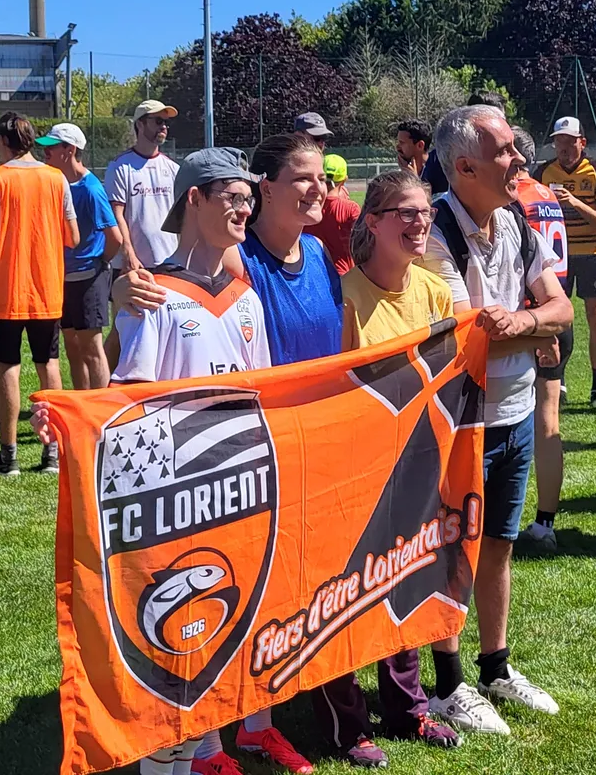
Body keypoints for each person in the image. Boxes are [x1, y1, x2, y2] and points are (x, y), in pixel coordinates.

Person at [112, 133, 455, 767]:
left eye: (321, 178)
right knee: (236, 588)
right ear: (264, 188)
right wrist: (119, 287)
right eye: (301, 177)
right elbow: (161, 316)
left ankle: (254, 723)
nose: (317, 189)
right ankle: (194, 741)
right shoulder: (237, 268)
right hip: (241, 460)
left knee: (328, 583)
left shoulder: (322, 262)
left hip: (322, 449)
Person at [34, 147, 304, 775]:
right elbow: (129, 404)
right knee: (171, 655)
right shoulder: (153, 294)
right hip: (175, 500)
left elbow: (259, 390)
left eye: (247, 197)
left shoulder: (244, 296)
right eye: (231, 197)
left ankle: (205, 749)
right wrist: (78, 426)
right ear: (194, 200)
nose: (245, 207)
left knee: (217, 634)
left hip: (236, 489)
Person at [418, 105, 573, 733]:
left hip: (512, 411)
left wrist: (526, 323)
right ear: (464, 166)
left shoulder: (513, 220)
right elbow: (465, 337)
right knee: (453, 549)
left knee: (500, 546)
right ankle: (449, 684)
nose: (519, 160)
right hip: (459, 420)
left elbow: (559, 309)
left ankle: (496, 668)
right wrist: (527, 327)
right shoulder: (433, 233)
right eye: (506, 150)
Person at [332, 168, 464, 757]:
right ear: (374, 223)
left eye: (424, 212)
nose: (419, 222)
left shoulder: (434, 289)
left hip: (415, 464)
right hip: (353, 468)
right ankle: (349, 722)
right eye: (405, 213)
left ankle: (408, 709)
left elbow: (449, 373)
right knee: (345, 595)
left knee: (403, 585)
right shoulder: (346, 294)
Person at [0, 112, 79, 477]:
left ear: (3, 142)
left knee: (9, 368)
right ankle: (52, 452)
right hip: (47, 290)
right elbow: (73, 237)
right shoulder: (56, 179)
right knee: (48, 365)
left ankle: (9, 455)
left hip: (7, 291)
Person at [509, 127, 572, 553]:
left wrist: (534, 324)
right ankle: (545, 521)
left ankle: (506, 517)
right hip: (558, 310)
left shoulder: (515, 201)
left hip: (535, 319)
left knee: (532, 421)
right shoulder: (548, 195)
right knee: (547, 419)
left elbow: (524, 262)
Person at [532, 116, 596, 410]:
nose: (563, 147)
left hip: (592, 252)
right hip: (557, 255)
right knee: (557, 315)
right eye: (558, 141)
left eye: (569, 141)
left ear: (583, 142)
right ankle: (558, 378)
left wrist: (575, 202)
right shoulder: (542, 172)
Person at [36, 122, 122, 390]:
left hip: (88, 278)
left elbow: (115, 238)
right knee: (72, 347)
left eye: (52, 147)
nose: (44, 152)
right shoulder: (56, 183)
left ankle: (103, 412)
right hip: (61, 278)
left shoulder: (91, 189)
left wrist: (99, 263)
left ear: (70, 150)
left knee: (91, 349)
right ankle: (81, 407)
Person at [105, 100, 181, 275]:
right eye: (158, 121)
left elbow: (181, 217)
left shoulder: (173, 168)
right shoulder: (120, 167)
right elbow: (117, 215)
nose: (164, 127)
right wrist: (128, 252)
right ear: (140, 123)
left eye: (166, 123)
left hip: (169, 262)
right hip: (134, 264)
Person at [310, 153, 361, 274]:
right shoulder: (350, 208)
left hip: (311, 273)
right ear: (344, 180)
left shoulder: (307, 205)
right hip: (341, 275)